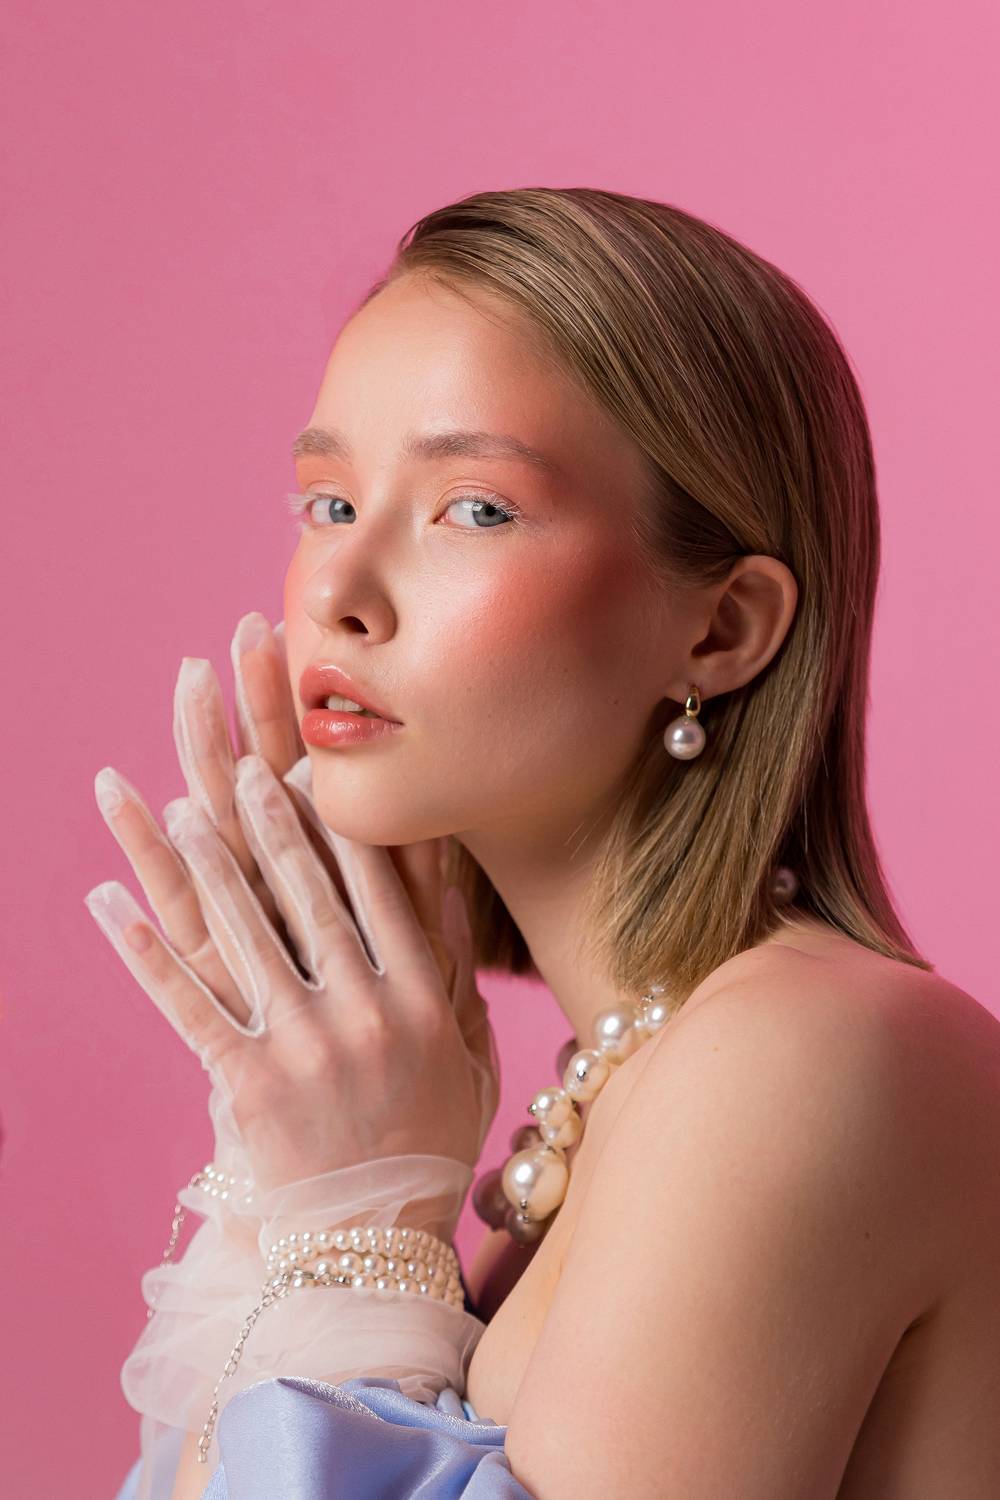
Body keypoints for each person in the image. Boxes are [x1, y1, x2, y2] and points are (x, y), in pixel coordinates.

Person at [87, 186, 1000, 1499]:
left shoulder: (815, 1052)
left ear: (723, 629)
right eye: (328, 504)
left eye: (475, 509)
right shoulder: (625, 1099)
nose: (337, 593)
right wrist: (310, 1176)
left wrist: (350, 1233)